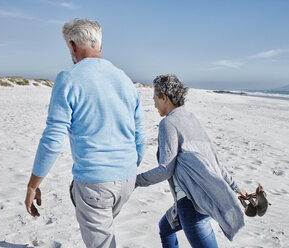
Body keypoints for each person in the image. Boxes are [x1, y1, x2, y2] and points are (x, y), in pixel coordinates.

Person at [24, 18, 147, 248]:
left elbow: (52, 138)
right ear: (100, 46)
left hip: (96, 182)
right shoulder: (125, 80)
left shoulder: (69, 78)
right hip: (127, 179)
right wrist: (126, 168)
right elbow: (141, 136)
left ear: (72, 46)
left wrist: (33, 184)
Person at [136, 74, 246, 248]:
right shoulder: (191, 119)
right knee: (165, 228)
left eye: (155, 98)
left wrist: (135, 180)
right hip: (203, 197)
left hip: (190, 205)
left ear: (164, 97)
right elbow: (214, 161)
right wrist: (237, 188)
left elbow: (165, 170)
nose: (154, 104)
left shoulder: (168, 124)